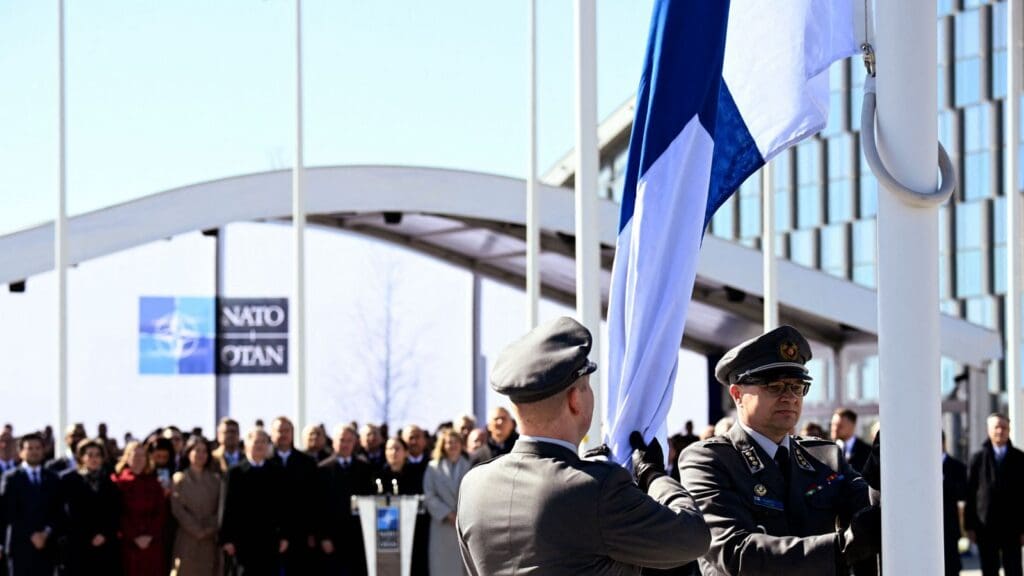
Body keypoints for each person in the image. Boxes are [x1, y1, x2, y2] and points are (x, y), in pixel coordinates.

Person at [458, 316, 710, 575]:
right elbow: (693, 537)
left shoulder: (474, 485)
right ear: (575, 400)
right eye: (587, 387)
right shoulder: (597, 488)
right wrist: (654, 476)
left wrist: (582, 470)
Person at [679, 325, 880, 575]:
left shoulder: (825, 457)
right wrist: (842, 547)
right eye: (774, 386)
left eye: (797, 387)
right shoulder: (708, 460)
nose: (790, 397)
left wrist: (882, 470)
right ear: (737, 394)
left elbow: (873, 514)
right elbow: (735, 553)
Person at [220, 428, 288, 576]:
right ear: (246, 444)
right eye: (256, 441)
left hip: (270, 539)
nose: (260, 445)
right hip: (242, 541)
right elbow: (227, 507)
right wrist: (227, 538)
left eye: (264, 442)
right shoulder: (235, 472)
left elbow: (284, 507)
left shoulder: (276, 471)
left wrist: (284, 535)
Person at [965, 413, 1024, 576]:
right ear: (988, 430)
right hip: (986, 526)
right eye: (996, 427)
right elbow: (970, 494)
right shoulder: (978, 459)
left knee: (1014, 569)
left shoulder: (1020, 459)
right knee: (989, 568)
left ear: (1009, 430)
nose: (1000, 431)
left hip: (1013, 526)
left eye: (1004, 427)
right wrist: (970, 526)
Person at [1, 433, 61, 576]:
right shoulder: (11, 478)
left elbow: (58, 510)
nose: (34, 452)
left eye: (38, 448)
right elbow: (8, 511)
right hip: (20, 546)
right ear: (21, 452)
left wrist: (46, 533)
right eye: (30, 448)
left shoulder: (53, 478)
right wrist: (31, 533)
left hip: (47, 547)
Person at [318, 424, 373, 576]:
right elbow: (318, 506)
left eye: (349, 440)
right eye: (342, 440)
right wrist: (324, 536)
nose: (345, 444)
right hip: (333, 537)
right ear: (334, 442)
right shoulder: (322, 469)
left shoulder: (365, 468)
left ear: (355, 442)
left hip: (358, 537)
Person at [59, 438, 120, 575]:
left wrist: (104, 533)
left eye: (98, 455)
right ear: (82, 457)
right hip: (77, 546)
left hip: (104, 546)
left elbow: (115, 512)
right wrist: (87, 536)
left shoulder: (110, 482)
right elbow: (67, 513)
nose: (94, 459)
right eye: (90, 455)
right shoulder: (69, 480)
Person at [268, 416, 318, 575]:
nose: (283, 435)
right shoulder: (264, 461)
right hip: (269, 534)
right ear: (272, 434)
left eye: (286, 431)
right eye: (279, 431)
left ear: (292, 433)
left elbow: (314, 500)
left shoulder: (307, 463)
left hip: (300, 533)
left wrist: (312, 532)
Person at [112, 440, 167, 576]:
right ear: (127, 458)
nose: (139, 459)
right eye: (135, 455)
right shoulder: (118, 482)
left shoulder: (154, 483)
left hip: (152, 544)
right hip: (128, 544)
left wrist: (150, 535)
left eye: (142, 455)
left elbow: (160, 512)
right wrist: (133, 536)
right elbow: (118, 513)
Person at [169, 435, 221, 576]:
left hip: (209, 541)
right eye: (197, 450)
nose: (201, 455)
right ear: (188, 452)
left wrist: (209, 528)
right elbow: (178, 509)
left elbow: (220, 508)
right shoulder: (179, 479)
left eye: (204, 451)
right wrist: (196, 529)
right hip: (187, 539)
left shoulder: (216, 480)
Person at [423, 428, 470, 576]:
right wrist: (448, 514)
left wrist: (461, 515)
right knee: (442, 566)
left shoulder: (469, 466)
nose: (453, 445)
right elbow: (429, 496)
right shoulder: (433, 467)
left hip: (464, 524)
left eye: (456, 442)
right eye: (449, 442)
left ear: (461, 444)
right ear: (443, 445)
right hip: (442, 525)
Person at [941, 432, 967, 576]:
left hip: (950, 524)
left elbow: (963, 494)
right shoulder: (922, 468)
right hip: (928, 526)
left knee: (951, 565)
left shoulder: (957, 467)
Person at [831, 408, 872, 473]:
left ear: (852, 426)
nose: (835, 429)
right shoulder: (827, 449)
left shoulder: (867, 452)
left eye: (840, 426)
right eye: (833, 425)